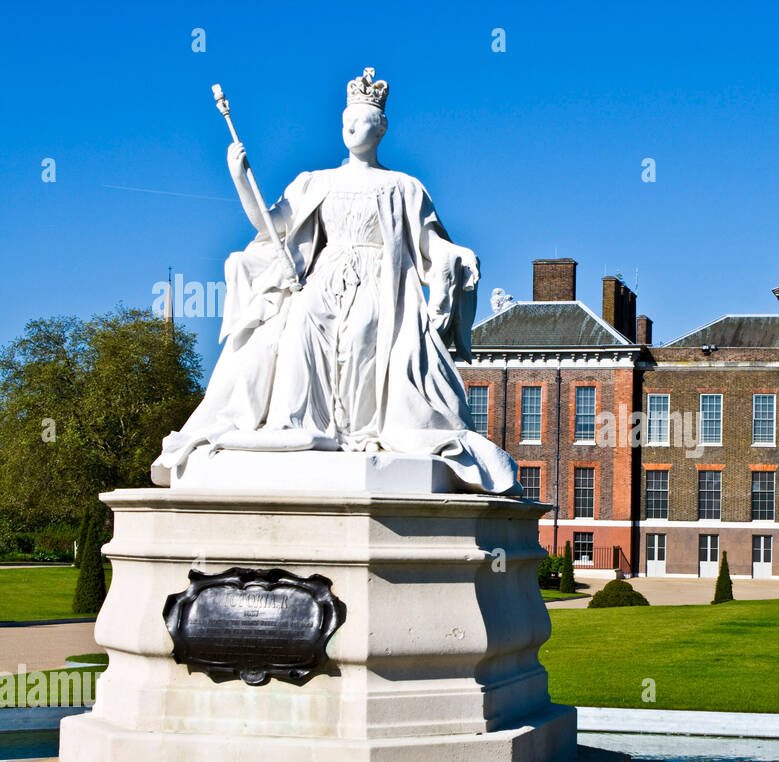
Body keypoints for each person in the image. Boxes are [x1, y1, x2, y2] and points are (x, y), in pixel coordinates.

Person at [152, 68, 517, 494]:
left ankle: (357, 431)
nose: (349, 125)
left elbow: (428, 242)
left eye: (359, 119)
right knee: (300, 324)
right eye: (345, 117)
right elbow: (271, 225)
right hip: (325, 278)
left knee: (367, 331)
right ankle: (298, 425)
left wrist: (454, 254)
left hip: (380, 283)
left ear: (379, 128)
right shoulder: (316, 181)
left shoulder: (404, 186)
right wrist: (240, 179)